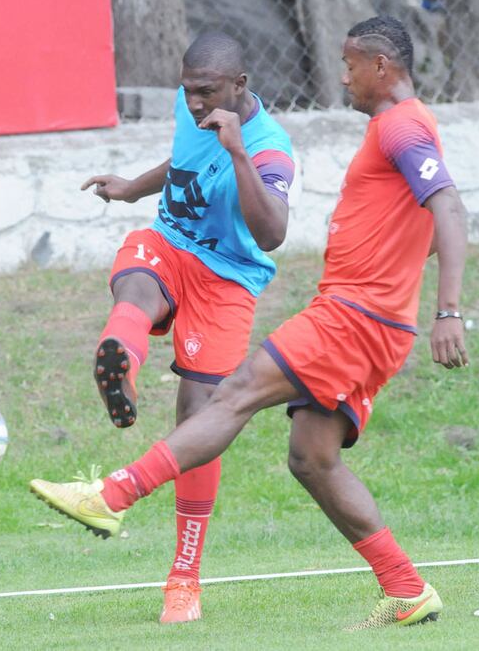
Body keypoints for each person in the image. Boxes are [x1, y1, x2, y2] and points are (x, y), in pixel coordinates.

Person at [31, 15, 468, 630]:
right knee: (312, 459)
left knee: (233, 394)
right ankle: (406, 590)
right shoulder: (402, 125)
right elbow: (422, 223)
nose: (343, 78)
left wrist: (447, 311)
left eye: (350, 66)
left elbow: (447, 205)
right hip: (370, 319)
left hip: (352, 318)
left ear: (381, 66)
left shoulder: (398, 126)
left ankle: (111, 495)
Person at [33, 32, 294, 624]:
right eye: (188, 90)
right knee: (135, 278)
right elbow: (184, 165)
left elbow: (273, 233)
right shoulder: (189, 104)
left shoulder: (271, 150)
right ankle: (121, 363)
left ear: (239, 86)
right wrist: (133, 188)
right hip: (171, 245)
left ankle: (184, 581)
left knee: (199, 422)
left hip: (228, 280)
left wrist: (237, 153)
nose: (195, 102)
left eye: (207, 92)